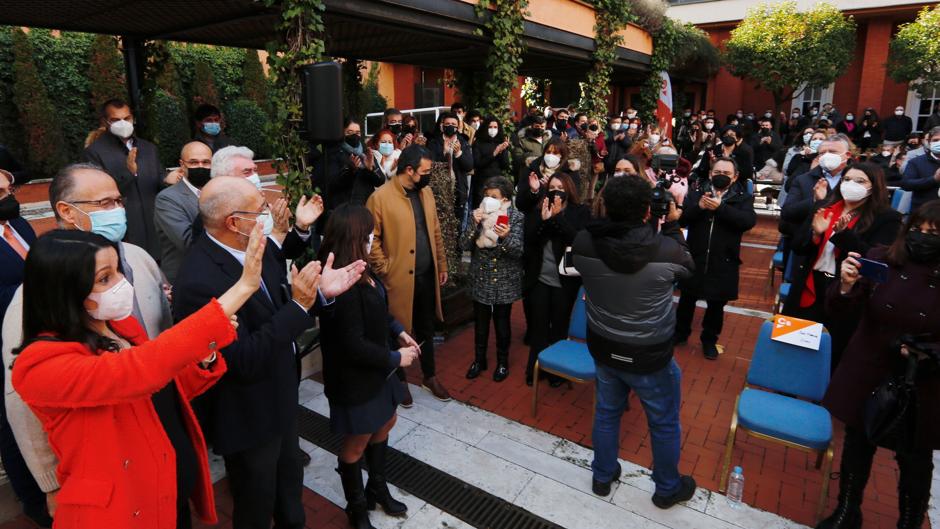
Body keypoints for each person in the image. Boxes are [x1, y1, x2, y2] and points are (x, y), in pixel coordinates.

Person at [12, 223, 265, 529]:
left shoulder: (121, 327)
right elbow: (137, 373)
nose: (121, 283)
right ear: (65, 291)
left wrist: (205, 355)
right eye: (105, 278)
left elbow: (166, 387)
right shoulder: (41, 365)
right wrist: (243, 288)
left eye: (118, 270)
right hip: (119, 512)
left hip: (166, 491)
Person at [172, 176, 365, 529]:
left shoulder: (251, 246)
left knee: (290, 495)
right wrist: (300, 305)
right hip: (248, 414)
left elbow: (280, 291)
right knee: (256, 506)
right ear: (233, 222)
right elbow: (240, 360)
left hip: (280, 398)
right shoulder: (198, 281)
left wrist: (321, 295)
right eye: (259, 210)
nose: (268, 216)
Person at [2, 164, 175, 523]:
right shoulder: (34, 300)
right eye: (106, 202)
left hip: (155, 423)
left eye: (119, 200)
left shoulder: (139, 258)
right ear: (67, 211)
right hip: (106, 455)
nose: (118, 210)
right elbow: (23, 405)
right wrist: (50, 483)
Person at [572, 175, 696, 505]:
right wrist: (669, 226)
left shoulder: (584, 242)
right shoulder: (666, 248)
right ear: (646, 210)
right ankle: (667, 488)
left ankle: (602, 475)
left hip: (604, 347)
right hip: (650, 355)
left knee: (607, 413)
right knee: (664, 422)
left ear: (605, 206)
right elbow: (689, 270)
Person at [818, 201, 940, 529]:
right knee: (858, 442)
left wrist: (926, 350)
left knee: (915, 457)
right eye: (917, 229)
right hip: (871, 367)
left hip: (922, 379)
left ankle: (910, 521)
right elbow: (841, 310)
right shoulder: (880, 257)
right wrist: (844, 285)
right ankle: (847, 510)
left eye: (934, 233)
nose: (923, 237)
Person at [317, 204, 417, 529]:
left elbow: (381, 311)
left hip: (379, 371)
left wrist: (399, 332)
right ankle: (356, 508)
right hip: (355, 378)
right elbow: (352, 345)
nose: (375, 236)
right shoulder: (341, 283)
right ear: (355, 236)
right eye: (370, 231)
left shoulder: (363, 270)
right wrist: (395, 359)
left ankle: (377, 486)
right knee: (356, 442)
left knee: (386, 421)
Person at [784, 163, 901, 369]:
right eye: (847, 180)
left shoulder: (887, 218)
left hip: (845, 292)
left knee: (833, 351)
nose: (851, 185)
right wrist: (816, 233)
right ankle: (786, 390)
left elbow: (875, 259)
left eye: (860, 181)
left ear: (874, 186)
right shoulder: (824, 207)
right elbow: (798, 247)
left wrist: (843, 235)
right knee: (794, 345)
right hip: (810, 284)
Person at [366, 145, 451, 404]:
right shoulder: (379, 198)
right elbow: (371, 241)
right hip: (397, 279)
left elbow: (435, 231)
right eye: (425, 171)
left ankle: (429, 375)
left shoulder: (425, 193)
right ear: (409, 170)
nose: (428, 176)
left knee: (426, 327)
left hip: (426, 275)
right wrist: (385, 269)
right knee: (398, 329)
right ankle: (399, 379)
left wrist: (442, 264)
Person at [0, 170, 49, 528]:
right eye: (0, 192)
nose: (9, 197)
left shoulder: (21, 228)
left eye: (9, 190)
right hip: (3, 348)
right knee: (12, 424)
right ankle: (34, 502)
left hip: (36, 336)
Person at [675, 158, 756, 359]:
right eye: (717, 171)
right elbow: (683, 219)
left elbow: (746, 221)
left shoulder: (742, 197)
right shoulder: (696, 192)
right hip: (694, 257)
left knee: (716, 304)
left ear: (735, 176)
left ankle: (709, 340)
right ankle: (680, 333)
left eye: (727, 173)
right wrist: (699, 207)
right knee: (686, 299)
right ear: (711, 173)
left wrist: (721, 208)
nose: (721, 175)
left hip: (724, 260)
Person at [518, 171, 590, 386]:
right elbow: (529, 240)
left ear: (569, 190)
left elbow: (578, 241)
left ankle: (556, 372)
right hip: (540, 278)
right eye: (551, 188)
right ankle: (535, 368)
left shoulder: (580, 212)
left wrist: (558, 218)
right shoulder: (538, 209)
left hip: (565, 282)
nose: (555, 191)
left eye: (560, 187)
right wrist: (544, 220)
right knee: (538, 328)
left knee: (559, 327)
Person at [81, 98, 164, 259]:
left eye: (126, 119)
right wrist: (129, 172)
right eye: (116, 120)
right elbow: (98, 193)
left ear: (132, 118)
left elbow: (159, 179)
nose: (123, 123)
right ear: (105, 122)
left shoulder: (148, 148)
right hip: (125, 228)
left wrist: (170, 180)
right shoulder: (95, 152)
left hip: (154, 225)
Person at [461, 177, 524, 382]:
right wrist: (474, 224)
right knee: (480, 323)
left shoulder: (515, 217)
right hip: (481, 276)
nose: (488, 200)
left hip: (504, 278)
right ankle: (479, 360)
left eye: (493, 197)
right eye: (486, 196)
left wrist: (505, 238)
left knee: (502, 323)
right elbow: (463, 245)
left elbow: (519, 250)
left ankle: (503, 362)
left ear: (504, 198)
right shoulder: (477, 214)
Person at [154, 141, 213, 284]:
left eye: (206, 162)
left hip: (215, 273)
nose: (200, 166)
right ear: (182, 164)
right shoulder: (167, 198)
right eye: (193, 162)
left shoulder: (218, 190)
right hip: (186, 277)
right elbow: (187, 241)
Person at [311, 119, 385, 227]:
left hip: (365, 212)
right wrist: (351, 170)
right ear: (342, 133)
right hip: (344, 216)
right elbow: (332, 184)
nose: (354, 136)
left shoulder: (365, 153)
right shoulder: (334, 153)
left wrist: (371, 168)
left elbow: (380, 181)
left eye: (357, 132)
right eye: (349, 132)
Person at [780, 134, 852, 237]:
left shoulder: (858, 179)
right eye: (822, 153)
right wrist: (814, 200)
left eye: (832, 152)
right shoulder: (803, 179)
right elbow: (787, 213)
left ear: (847, 155)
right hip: (809, 241)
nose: (827, 155)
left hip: (844, 241)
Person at [427, 112, 473, 224]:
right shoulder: (434, 142)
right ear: (442, 126)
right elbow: (430, 164)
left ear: (457, 127)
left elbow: (469, 166)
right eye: (447, 124)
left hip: (458, 191)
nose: (450, 126)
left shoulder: (463, 142)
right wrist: (444, 153)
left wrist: (458, 153)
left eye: (453, 124)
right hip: (439, 191)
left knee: (457, 225)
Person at [470, 116, 511, 207]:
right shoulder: (478, 143)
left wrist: (504, 150)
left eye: (495, 127)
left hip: (497, 182)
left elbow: (505, 165)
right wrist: (494, 153)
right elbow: (477, 163)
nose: (493, 129)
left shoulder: (500, 142)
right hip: (482, 182)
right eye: (490, 127)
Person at [900, 126, 940, 211]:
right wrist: (934, 179)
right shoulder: (916, 162)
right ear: (929, 143)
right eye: (935, 140)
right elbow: (906, 184)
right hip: (923, 212)